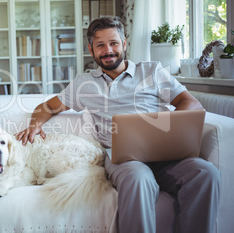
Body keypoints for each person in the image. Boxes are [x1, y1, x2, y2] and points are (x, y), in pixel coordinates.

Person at [15, 17, 220, 233]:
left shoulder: (152, 71)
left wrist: (170, 131)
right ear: (91, 49)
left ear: (123, 43)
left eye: (113, 43)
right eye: (100, 45)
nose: (108, 50)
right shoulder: (84, 83)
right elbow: (48, 106)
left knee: (206, 173)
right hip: (124, 160)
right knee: (139, 179)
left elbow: (190, 102)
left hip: (167, 156)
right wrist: (35, 125)